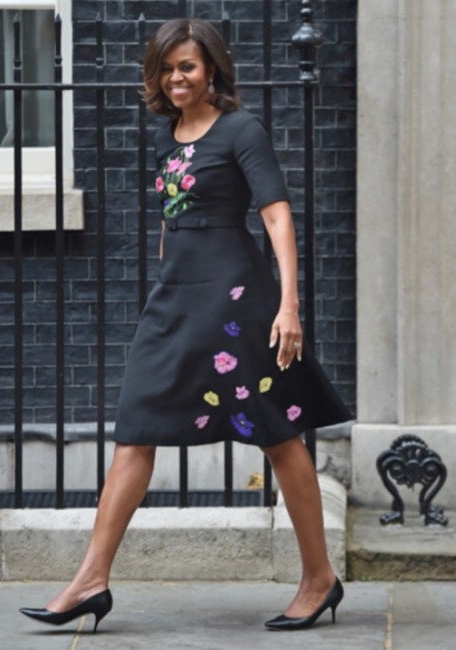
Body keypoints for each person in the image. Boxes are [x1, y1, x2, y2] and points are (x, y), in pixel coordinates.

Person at [19, 18, 350, 633]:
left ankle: (318, 578)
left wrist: (289, 306)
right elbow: (173, 223)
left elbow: (277, 217)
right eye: (168, 67)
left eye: (188, 67)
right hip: (175, 299)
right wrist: (164, 287)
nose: (176, 78)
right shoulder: (168, 135)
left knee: (277, 435)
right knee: (136, 425)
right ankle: (91, 580)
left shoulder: (242, 130)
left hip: (235, 297)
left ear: (212, 71)